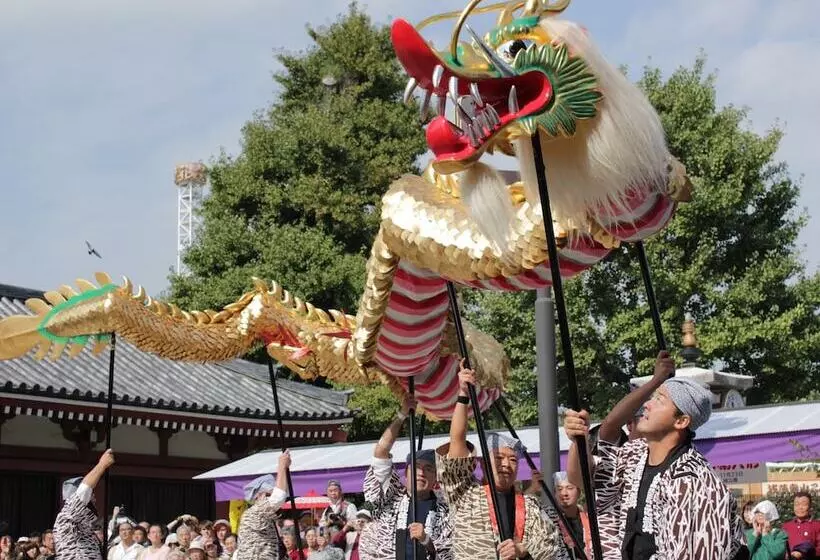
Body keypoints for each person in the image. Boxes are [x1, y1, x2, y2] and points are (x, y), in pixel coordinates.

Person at [564, 373, 748, 559]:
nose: (647, 404)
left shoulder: (697, 483)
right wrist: (579, 439)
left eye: (659, 399)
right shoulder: (634, 454)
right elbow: (581, 479)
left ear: (681, 421)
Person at [436, 362, 565, 560]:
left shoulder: (530, 504)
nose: (506, 464)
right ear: (482, 463)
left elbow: (550, 545)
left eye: (513, 459)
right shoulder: (464, 495)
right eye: (498, 458)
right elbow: (457, 442)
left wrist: (522, 550)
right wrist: (463, 395)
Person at [361, 394, 452, 560]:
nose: (421, 473)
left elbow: (450, 552)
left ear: (436, 478)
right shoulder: (390, 498)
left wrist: (426, 541)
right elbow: (380, 452)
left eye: (429, 469)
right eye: (416, 468)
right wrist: (402, 415)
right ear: (406, 473)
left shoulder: (446, 510)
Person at [53, 448, 115, 560]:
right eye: (92, 494)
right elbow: (84, 490)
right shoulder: (67, 516)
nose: (94, 497)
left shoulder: (83, 524)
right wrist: (102, 465)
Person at [235, 450, 292, 560]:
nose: (271, 498)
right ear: (259, 496)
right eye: (268, 495)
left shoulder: (266, 517)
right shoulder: (254, 513)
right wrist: (282, 466)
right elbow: (278, 497)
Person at [553, 472, 591, 560]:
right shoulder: (549, 520)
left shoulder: (589, 518)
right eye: (559, 489)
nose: (564, 493)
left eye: (569, 488)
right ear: (555, 494)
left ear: (578, 492)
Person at [782, 492, 820, 559]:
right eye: (796, 504)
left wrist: (803, 553)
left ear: (810, 506)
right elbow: (781, 546)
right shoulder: (786, 526)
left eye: (804, 504)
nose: (800, 507)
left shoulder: (817, 525)